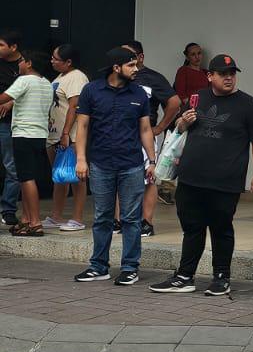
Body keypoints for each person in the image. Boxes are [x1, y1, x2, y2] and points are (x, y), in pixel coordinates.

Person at [149, 54, 253, 297]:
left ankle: (221, 277)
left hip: (226, 181)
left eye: (232, 73)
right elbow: (179, 130)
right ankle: (185, 276)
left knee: (221, 228)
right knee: (192, 227)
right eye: (223, 74)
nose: (228, 78)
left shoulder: (249, 105)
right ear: (209, 76)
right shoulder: (197, 98)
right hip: (191, 177)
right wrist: (182, 122)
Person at [72, 48, 155, 285]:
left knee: (131, 218)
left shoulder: (139, 93)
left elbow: (145, 129)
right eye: (131, 65)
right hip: (100, 163)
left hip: (131, 164)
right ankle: (99, 266)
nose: (136, 69)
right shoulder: (91, 91)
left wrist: (152, 160)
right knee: (102, 217)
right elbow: (83, 126)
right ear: (116, 68)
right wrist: (81, 159)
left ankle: (130, 268)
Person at [124, 41, 181, 237]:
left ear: (140, 57)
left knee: (149, 179)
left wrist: (161, 127)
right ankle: (118, 221)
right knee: (118, 175)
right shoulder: (116, 77)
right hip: (121, 134)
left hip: (145, 134)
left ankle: (146, 222)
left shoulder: (153, 78)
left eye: (130, 55)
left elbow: (174, 103)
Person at [0, 51, 54, 236]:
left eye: (22, 60)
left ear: (29, 63)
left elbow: (3, 98)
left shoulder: (24, 81)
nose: (19, 64)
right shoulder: (46, 84)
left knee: (26, 178)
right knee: (27, 177)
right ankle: (26, 219)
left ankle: (35, 223)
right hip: (39, 135)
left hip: (24, 134)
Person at [46, 44, 88, 231]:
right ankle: (56, 216)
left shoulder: (77, 77)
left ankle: (77, 219)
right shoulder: (60, 77)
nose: (52, 61)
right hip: (54, 135)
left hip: (70, 136)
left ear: (69, 62)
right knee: (59, 176)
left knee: (76, 177)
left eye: (56, 58)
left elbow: (74, 106)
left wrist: (66, 133)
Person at [0, 29, 20, 226]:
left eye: (1, 45)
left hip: (12, 124)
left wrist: (11, 102)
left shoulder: (24, 65)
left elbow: (32, 88)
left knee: (12, 167)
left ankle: (8, 209)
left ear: (13, 47)